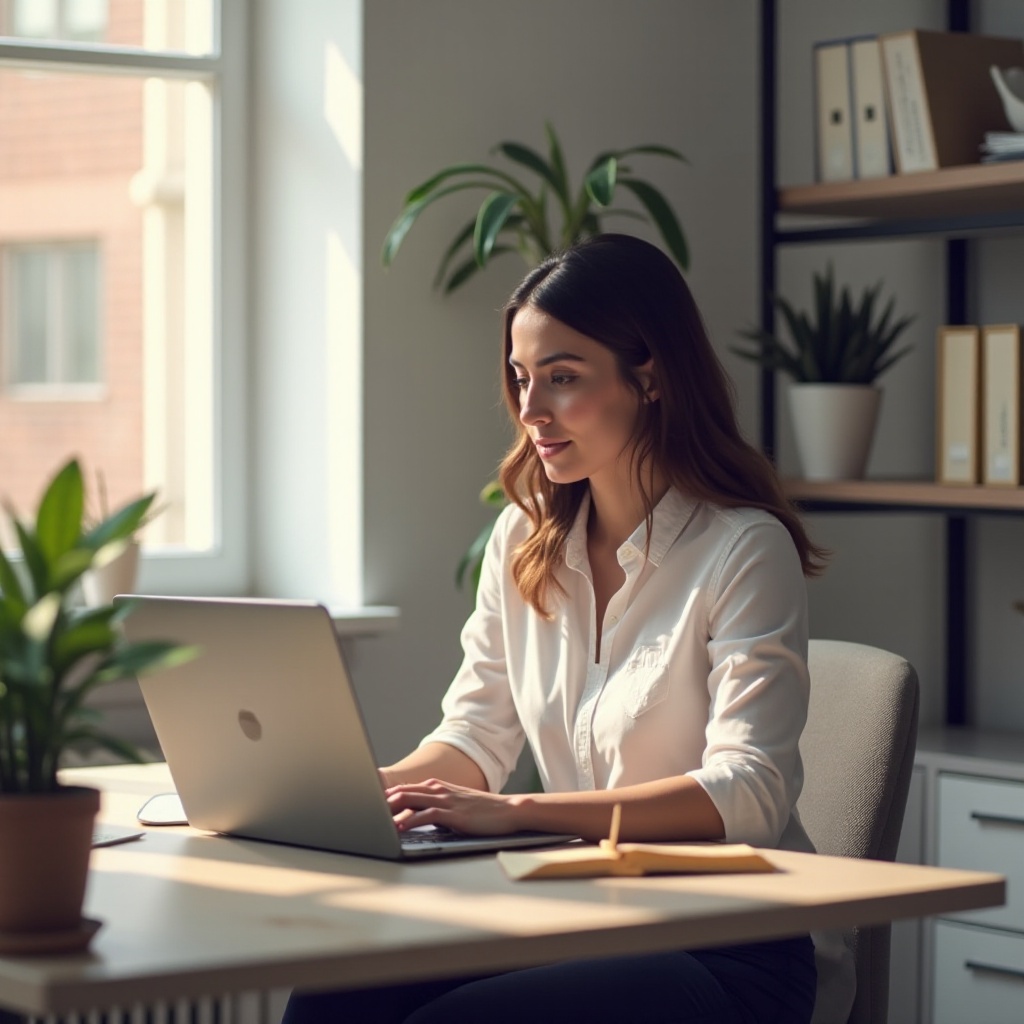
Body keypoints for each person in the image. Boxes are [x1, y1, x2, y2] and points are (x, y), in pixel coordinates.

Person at [283, 234, 853, 1024]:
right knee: (333, 999)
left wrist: (520, 815)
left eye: (563, 378)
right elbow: (477, 738)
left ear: (648, 377)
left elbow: (750, 794)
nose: (529, 410)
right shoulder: (523, 540)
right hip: (584, 919)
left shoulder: (742, 549)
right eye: (521, 379)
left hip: (727, 946)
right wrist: (358, 794)